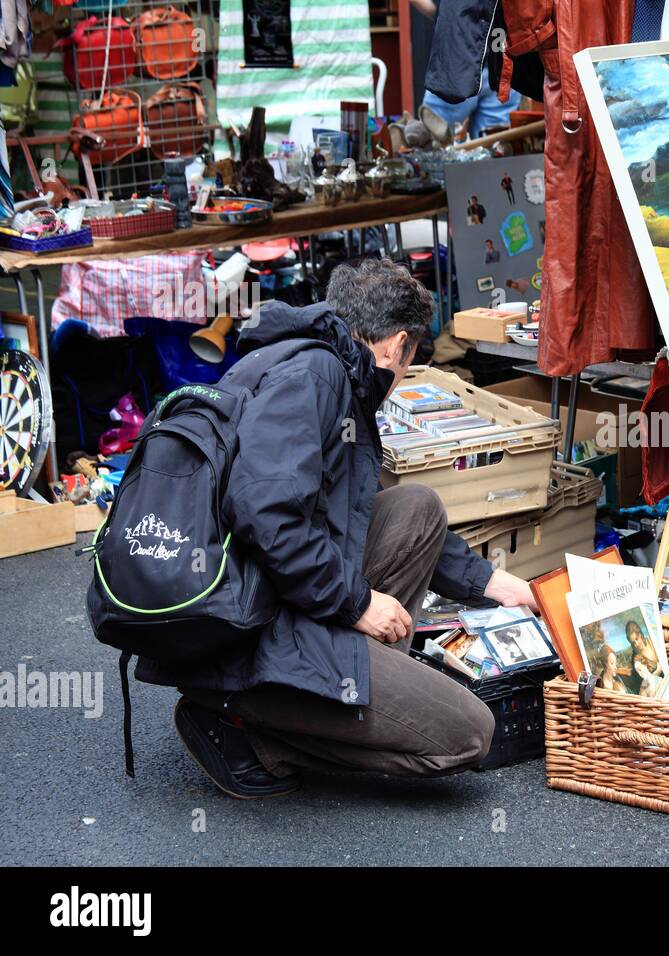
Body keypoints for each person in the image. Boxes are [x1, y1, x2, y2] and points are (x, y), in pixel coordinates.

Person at [148, 259, 539, 798]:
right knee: (470, 734)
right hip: (246, 632)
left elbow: (354, 512)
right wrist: (357, 605)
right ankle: (254, 733)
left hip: (270, 599)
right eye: (410, 361)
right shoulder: (316, 376)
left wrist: (492, 584)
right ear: (398, 345)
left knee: (416, 507)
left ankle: (338, 697)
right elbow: (265, 513)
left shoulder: (318, 363)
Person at [412, 0, 523, 140]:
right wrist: (441, 13)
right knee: (430, 142)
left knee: (494, 147)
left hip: (501, 62)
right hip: (463, 61)